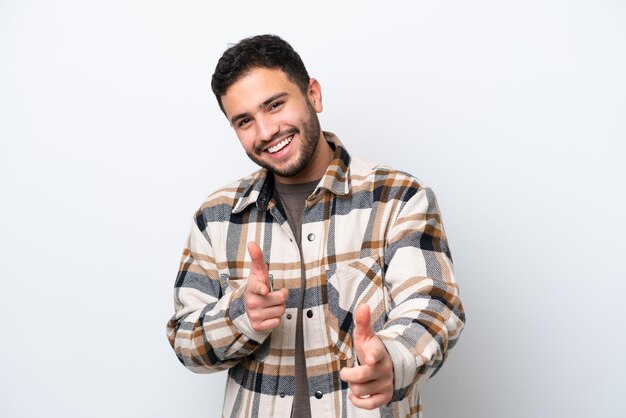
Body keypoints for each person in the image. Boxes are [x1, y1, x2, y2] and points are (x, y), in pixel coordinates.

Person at [167, 34, 465, 418]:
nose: (266, 132)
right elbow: (185, 339)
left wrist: (392, 359)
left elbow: (434, 305)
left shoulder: (399, 198)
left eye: (275, 105)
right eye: (244, 121)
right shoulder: (217, 217)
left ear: (313, 94)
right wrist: (241, 314)